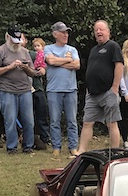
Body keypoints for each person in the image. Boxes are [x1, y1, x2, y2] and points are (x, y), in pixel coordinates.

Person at [0, 26, 45, 153]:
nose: (16, 43)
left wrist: (26, 68)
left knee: (29, 121)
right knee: (10, 120)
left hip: (25, 90)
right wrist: (9, 67)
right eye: (14, 40)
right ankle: (12, 147)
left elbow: (33, 73)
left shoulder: (25, 52)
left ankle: (28, 146)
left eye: (18, 40)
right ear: (7, 37)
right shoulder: (0, 51)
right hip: (7, 91)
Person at [76, 20, 123, 154]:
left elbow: (119, 66)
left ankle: (114, 153)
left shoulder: (113, 46)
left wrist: (115, 88)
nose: (98, 32)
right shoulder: (93, 50)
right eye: (96, 30)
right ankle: (81, 151)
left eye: (101, 29)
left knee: (111, 123)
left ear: (108, 32)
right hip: (92, 94)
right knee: (87, 123)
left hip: (108, 92)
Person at [44, 21, 80, 157]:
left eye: (66, 32)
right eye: (63, 32)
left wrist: (59, 61)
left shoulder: (72, 49)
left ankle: (73, 147)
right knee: (54, 121)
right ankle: (56, 147)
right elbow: (50, 61)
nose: (65, 35)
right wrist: (67, 60)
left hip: (71, 89)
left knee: (72, 120)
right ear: (55, 34)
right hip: (53, 89)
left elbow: (77, 65)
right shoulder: (48, 48)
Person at [31, 37, 50, 149]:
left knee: (42, 113)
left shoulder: (43, 55)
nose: (36, 48)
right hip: (28, 89)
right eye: (35, 46)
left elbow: (47, 65)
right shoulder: (29, 54)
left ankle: (45, 137)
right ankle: (33, 138)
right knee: (30, 116)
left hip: (39, 88)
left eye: (38, 46)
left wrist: (44, 69)